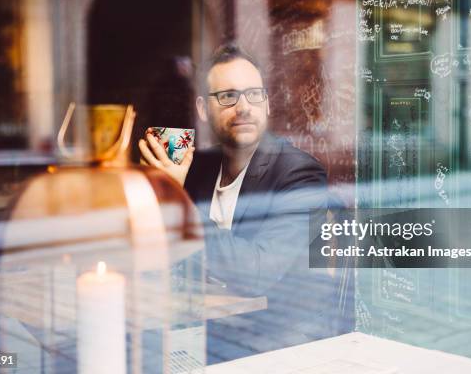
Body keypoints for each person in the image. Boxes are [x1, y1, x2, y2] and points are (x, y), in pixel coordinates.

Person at [139, 43, 338, 361]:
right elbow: (173, 253)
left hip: (283, 342)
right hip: (212, 328)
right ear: (204, 109)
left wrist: (178, 198)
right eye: (228, 96)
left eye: (254, 94)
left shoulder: (299, 173)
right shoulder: (199, 167)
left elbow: (253, 276)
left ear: (267, 104)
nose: (244, 107)